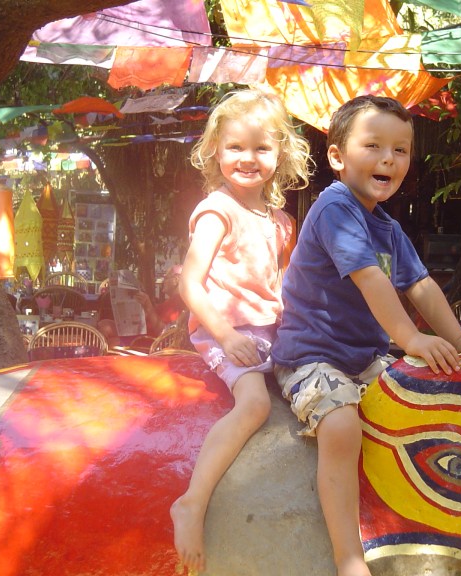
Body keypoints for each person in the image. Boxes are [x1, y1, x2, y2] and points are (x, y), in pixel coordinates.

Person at [271, 95, 461, 576]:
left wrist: (458, 339)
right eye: (373, 145)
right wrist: (411, 339)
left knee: (428, 397)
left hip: (362, 357)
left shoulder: (388, 227)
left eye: (401, 149)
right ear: (337, 157)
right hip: (313, 355)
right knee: (340, 427)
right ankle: (347, 556)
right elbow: (371, 280)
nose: (388, 159)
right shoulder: (335, 208)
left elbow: (421, 284)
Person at [170, 88, 312, 573]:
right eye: (235, 147)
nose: (248, 159)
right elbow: (190, 281)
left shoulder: (279, 222)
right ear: (215, 151)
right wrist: (226, 336)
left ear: (281, 154)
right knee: (254, 405)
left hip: (272, 332)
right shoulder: (217, 210)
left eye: (261, 148)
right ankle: (192, 501)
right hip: (227, 330)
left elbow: (285, 287)